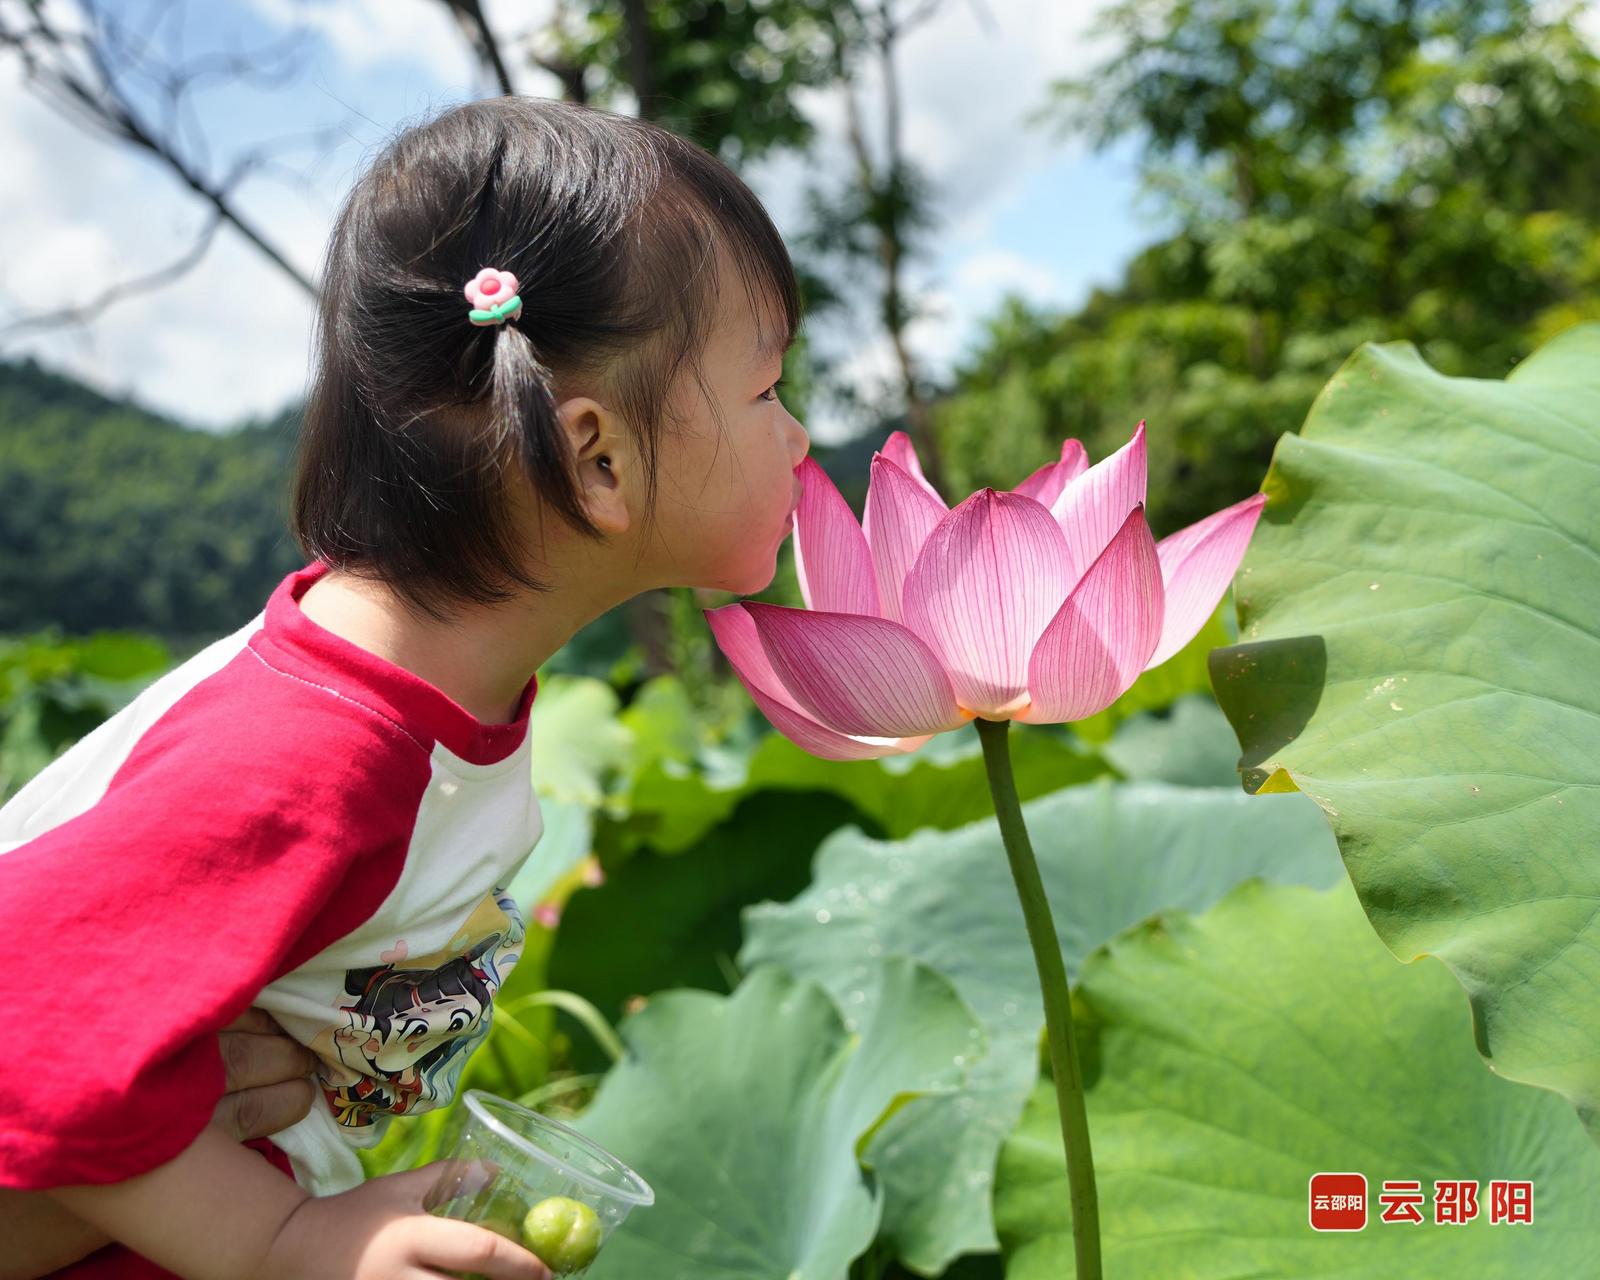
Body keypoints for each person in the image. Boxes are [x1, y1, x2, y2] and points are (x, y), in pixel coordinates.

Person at [0, 94, 809, 1279]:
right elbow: (24, 1019)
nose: (797, 438)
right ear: (597, 457)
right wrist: (275, 1237)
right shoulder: (312, 751)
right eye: (766, 391)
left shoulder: (423, 693)